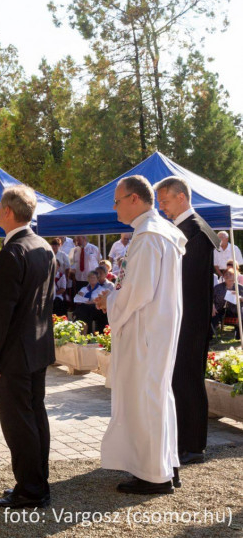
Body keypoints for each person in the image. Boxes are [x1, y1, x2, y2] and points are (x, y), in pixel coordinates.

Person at [95, 175, 186, 494]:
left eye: (117, 201)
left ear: (134, 198)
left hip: (145, 330)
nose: (115, 207)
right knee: (157, 396)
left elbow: (139, 290)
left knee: (146, 398)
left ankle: (153, 475)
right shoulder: (161, 231)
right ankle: (166, 465)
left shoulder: (148, 236)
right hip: (156, 327)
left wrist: (110, 300)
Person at [0, 185, 56, 509]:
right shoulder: (43, 246)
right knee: (35, 416)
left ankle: (31, 489)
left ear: (8, 211)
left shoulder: (13, 252)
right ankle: (37, 482)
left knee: (19, 423)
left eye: (0, 206)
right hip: (37, 348)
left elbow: (0, 313)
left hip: (13, 354)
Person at [155, 176, 221, 466]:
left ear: (181, 197)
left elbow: (186, 281)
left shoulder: (194, 230)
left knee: (188, 380)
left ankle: (192, 445)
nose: (162, 207)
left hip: (190, 321)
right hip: (186, 318)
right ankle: (184, 441)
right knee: (182, 380)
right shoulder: (189, 227)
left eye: (165, 201)